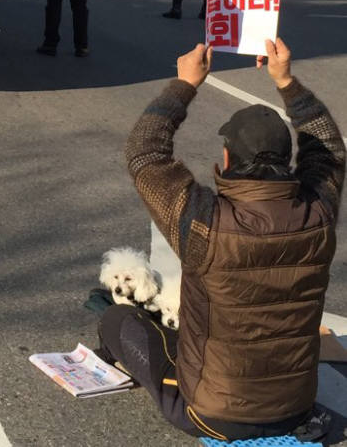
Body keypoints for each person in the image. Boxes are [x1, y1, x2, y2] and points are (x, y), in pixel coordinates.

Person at [99, 38, 344, 442]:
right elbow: (329, 149)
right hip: (294, 409)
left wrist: (185, 84)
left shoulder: (204, 222)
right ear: (288, 161)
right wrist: (287, 82)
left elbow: (144, 152)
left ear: (227, 159)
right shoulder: (319, 212)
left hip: (210, 412)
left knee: (118, 320)